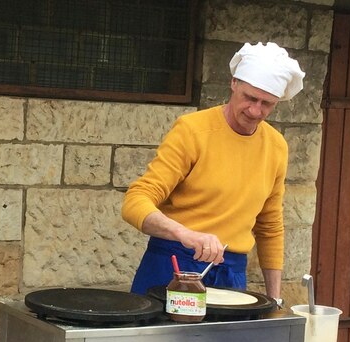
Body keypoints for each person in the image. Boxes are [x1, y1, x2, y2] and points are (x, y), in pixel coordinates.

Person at [122, 41, 305, 303]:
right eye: (250, 98)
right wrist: (186, 234)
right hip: (173, 265)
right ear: (234, 83)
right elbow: (135, 201)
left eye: (267, 103)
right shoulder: (192, 131)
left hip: (231, 274)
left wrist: (274, 299)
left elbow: (270, 226)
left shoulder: (276, 146)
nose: (255, 111)